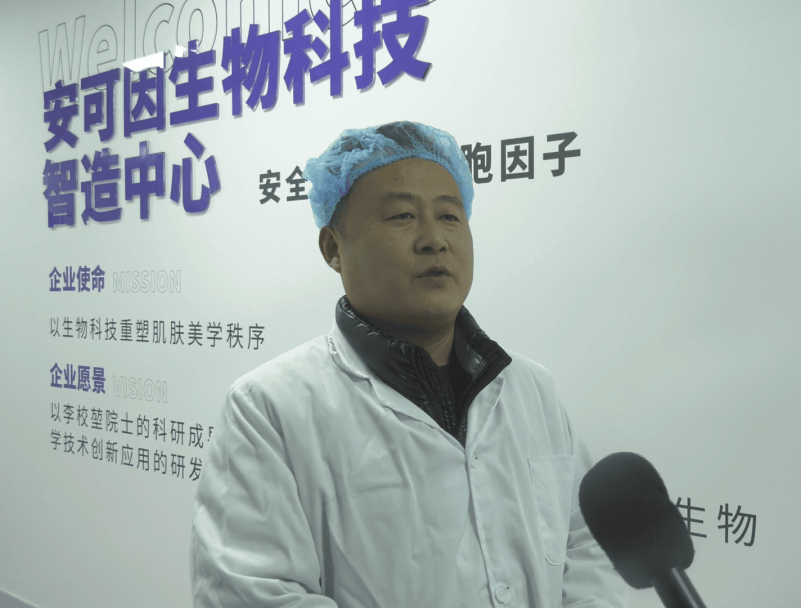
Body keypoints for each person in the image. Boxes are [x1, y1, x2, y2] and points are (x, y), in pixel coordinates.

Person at [190, 121, 629, 608]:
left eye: (450, 216)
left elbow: (586, 545)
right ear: (334, 249)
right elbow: (252, 593)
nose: (434, 239)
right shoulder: (268, 407)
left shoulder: (530, 387)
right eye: (402, 216)